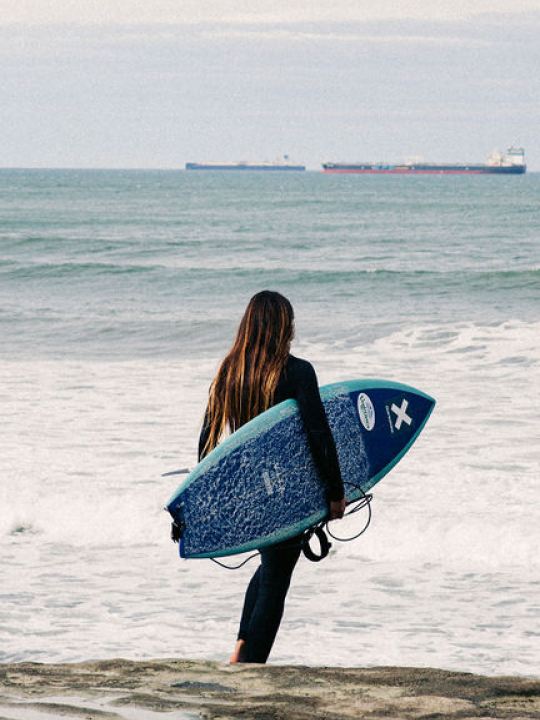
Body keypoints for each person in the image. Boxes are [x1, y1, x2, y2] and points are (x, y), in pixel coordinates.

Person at [198, 290, 345, 664]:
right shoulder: (297, 371)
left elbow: (207, 444)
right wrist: (334, 491)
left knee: (270, 566)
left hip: (251, 494)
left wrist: (209, 500)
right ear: (284, 327)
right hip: (288, 491)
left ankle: (240, 651)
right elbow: (318, 435)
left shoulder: (228, 371)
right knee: (277, 580)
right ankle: (250, 667)